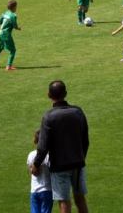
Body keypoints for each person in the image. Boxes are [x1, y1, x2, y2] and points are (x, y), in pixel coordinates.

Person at [32, 81, 90, 213]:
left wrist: (36, 164)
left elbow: (43, 145)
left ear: (49, 95)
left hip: (59, 166)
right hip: (78, 163)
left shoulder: (49, 116)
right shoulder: (78, 112)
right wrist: (81, 157)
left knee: (64, 202)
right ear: (65, 94)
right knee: (80, 199)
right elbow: (85, 139)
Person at [0, 0, 21, 71]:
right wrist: (19, 28)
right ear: (14, 7)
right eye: (16, 7)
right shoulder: (13, 16)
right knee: (13, 51)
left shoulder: (5, 13)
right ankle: (9, 66)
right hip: (6, 35)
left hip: (0, 33)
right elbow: (15, 27)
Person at [27, 131, 52, 213]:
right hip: (47, 190)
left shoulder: (31, 155)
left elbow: (31, 172)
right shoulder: (49, 156)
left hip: (34, 190)